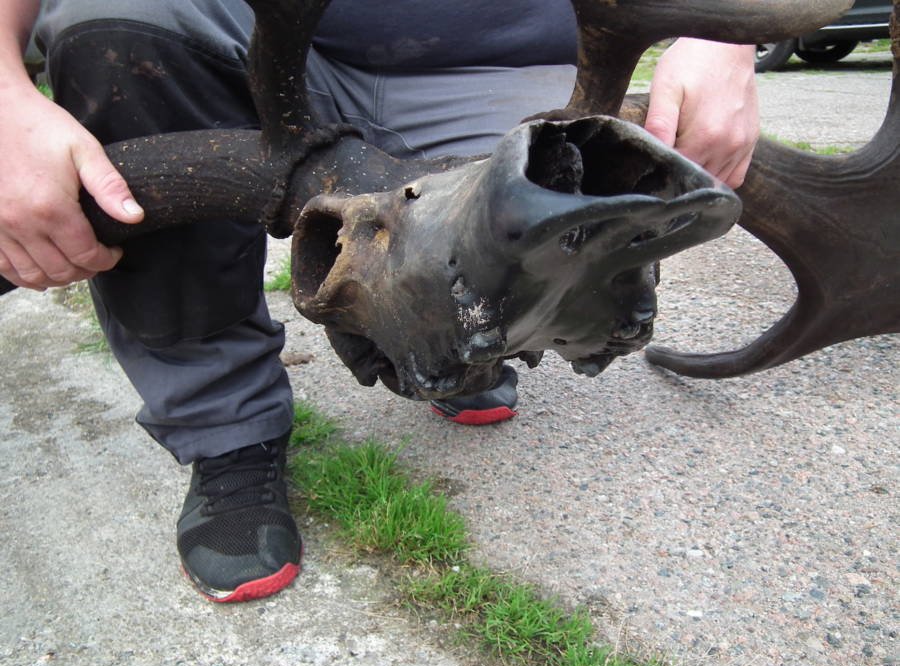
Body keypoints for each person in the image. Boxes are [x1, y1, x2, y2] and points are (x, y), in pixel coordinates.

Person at [0, 0, 759, 603]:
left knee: (548, 200)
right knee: (122, 24)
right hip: (252, 40)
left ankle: (459, 346)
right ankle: (225, 427)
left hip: (507, 62)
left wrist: (723, 37)